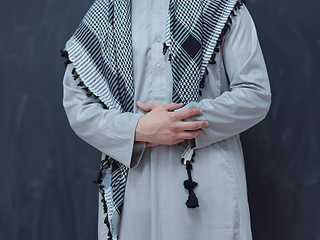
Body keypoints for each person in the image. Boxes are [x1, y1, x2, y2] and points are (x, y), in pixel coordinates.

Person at [62, 0, 271, 239]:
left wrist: (185, 123)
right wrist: (137, 129)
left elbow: (256, 94)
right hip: (134, 191)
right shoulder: (106, 12)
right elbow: (79, 106)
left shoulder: (220, 5)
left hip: (209, 186)